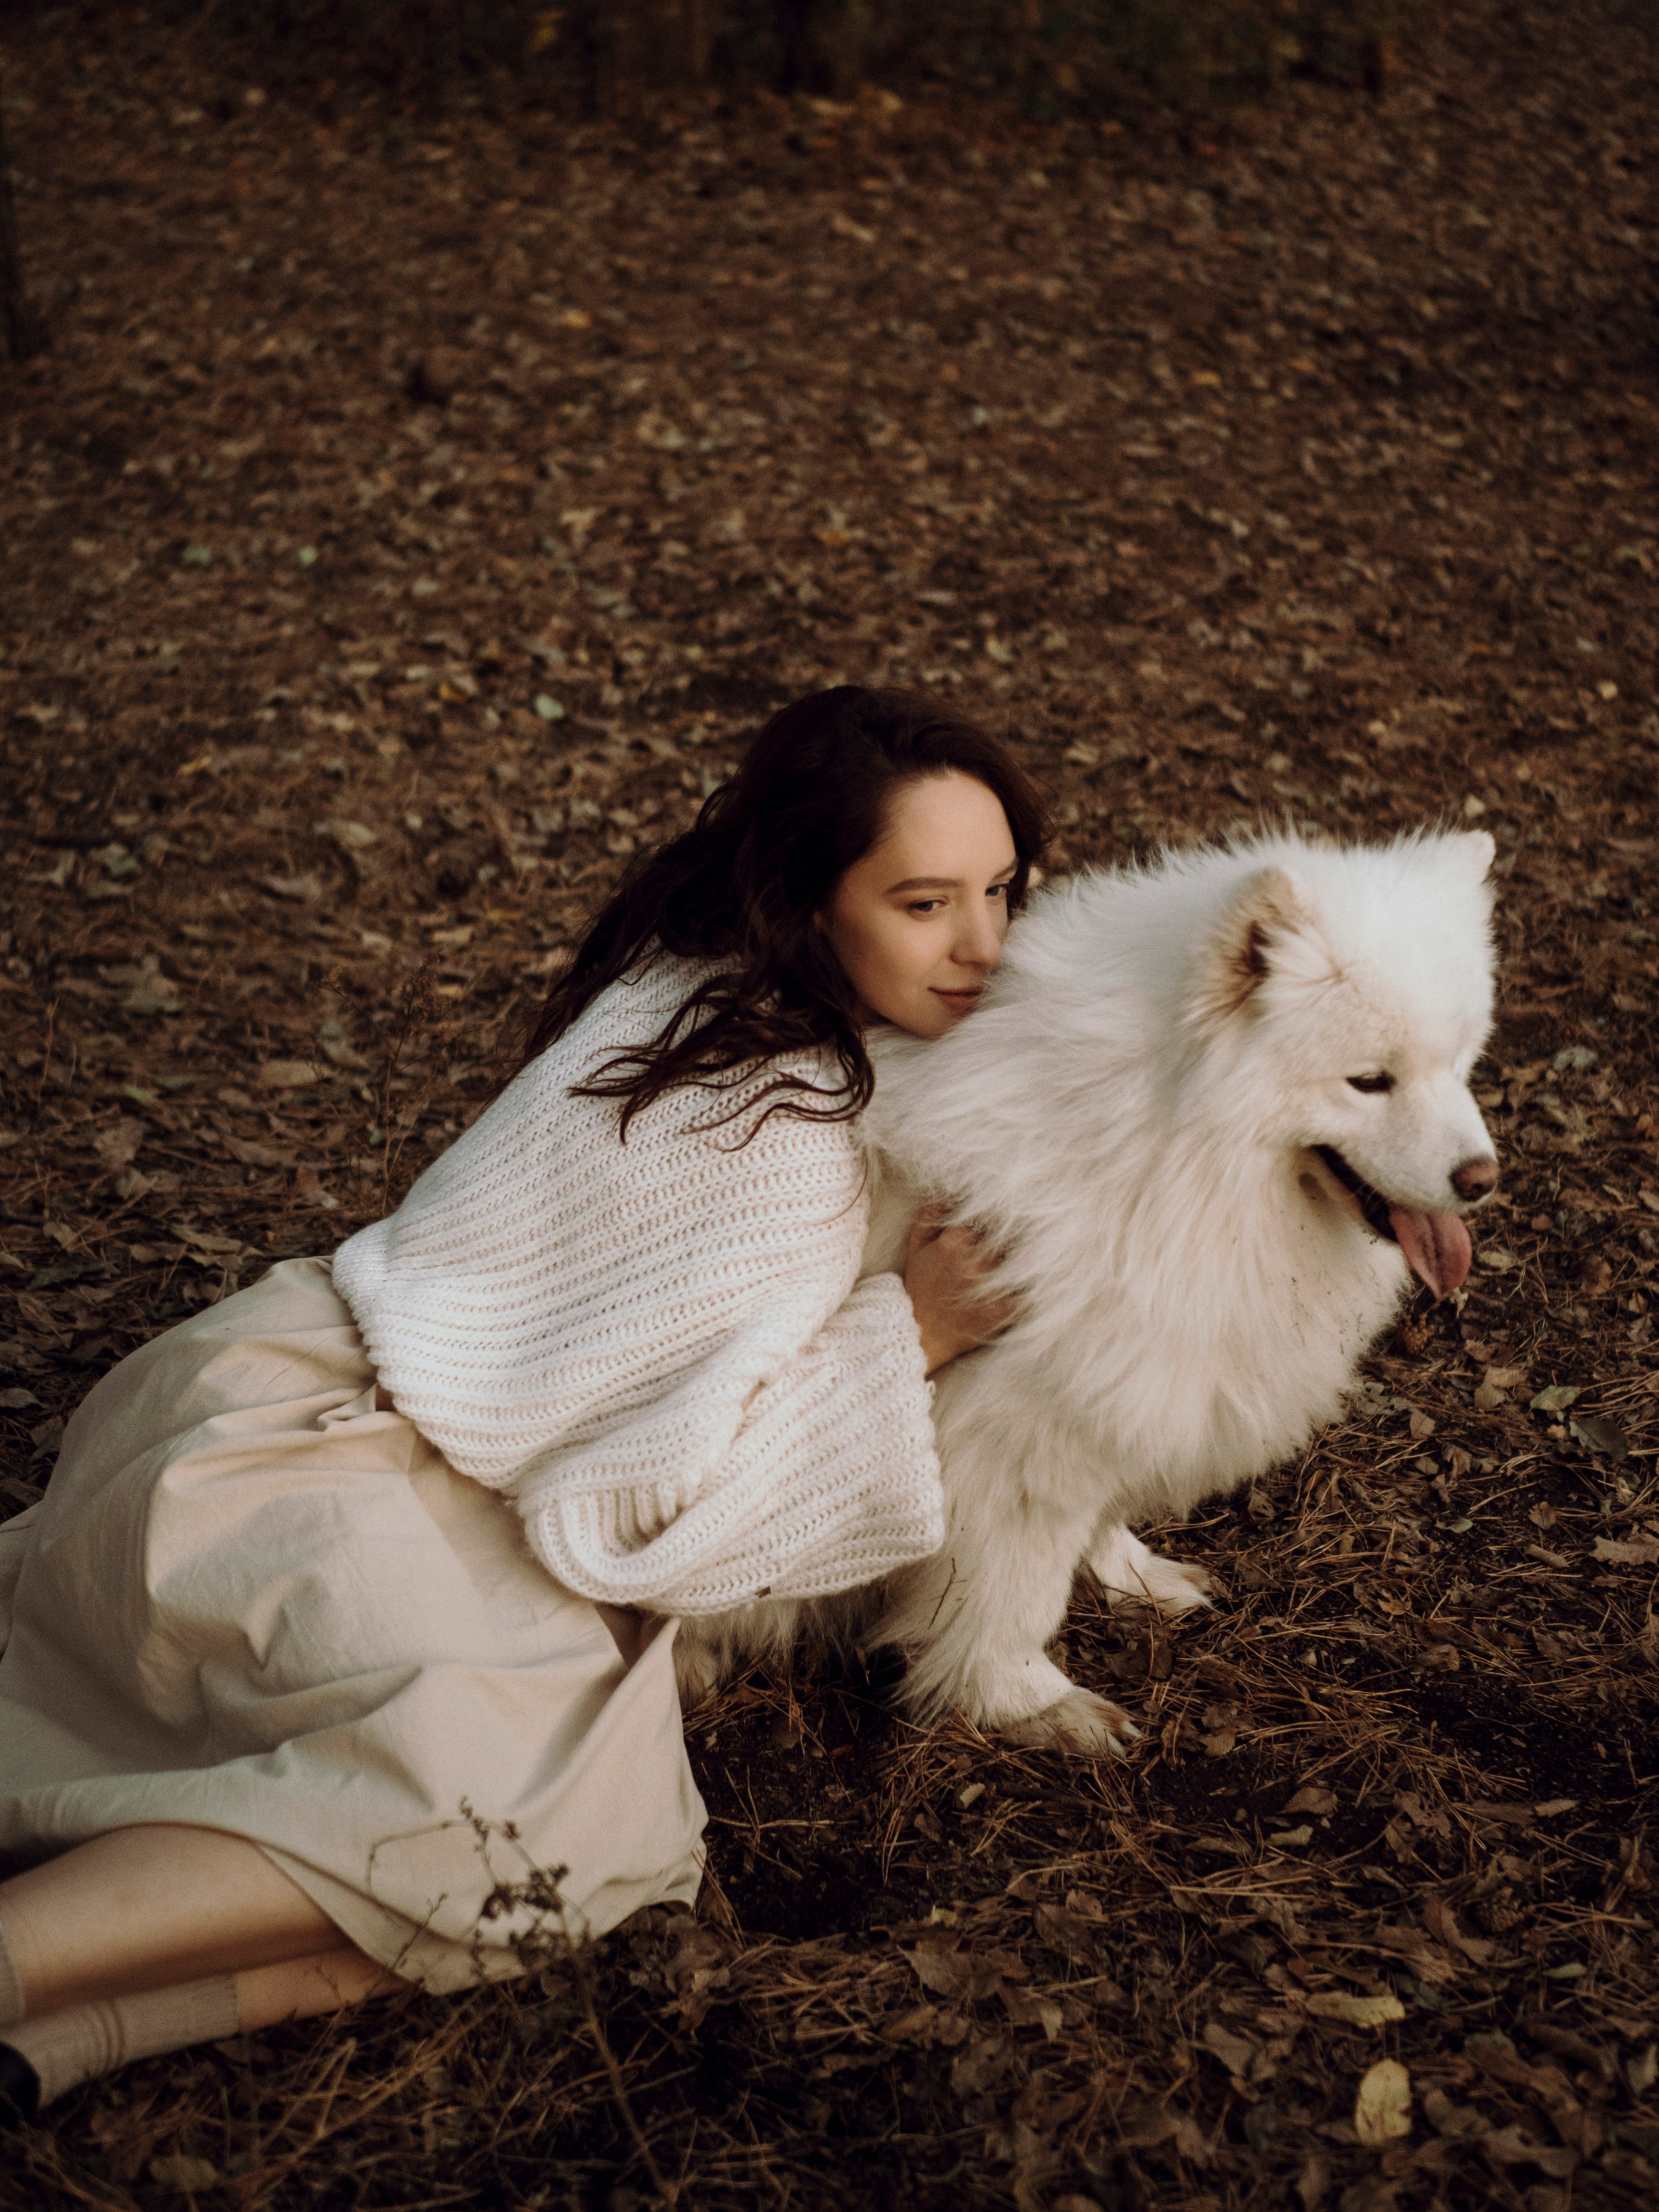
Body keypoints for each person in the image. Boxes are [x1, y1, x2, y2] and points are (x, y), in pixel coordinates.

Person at [0, 684, 1047, 2126]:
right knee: (503, 1810)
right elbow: (656, 1519)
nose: (984, 947)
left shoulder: (696, 988)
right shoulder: (785, 1129)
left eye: (1001, 890)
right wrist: (909, 1334)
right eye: (925, 902)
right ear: (813, 899)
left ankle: (67, 2036)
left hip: (289, 1385)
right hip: (342, 1459)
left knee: (586, 1857)